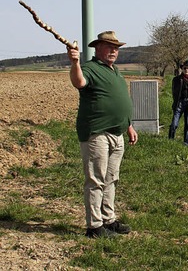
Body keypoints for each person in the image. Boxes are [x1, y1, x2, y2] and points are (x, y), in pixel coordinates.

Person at [67, 30, 137, 238]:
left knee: (111, 179)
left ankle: (109, 219)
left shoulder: (114, 71)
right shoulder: (89, 68)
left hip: (117, 134)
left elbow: (119, 100)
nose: (113, 51)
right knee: (96, 180)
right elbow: (79, 82)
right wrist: (75, 63)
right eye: (109, 46)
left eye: (116, 48)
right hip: (97, 133)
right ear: (97, 48)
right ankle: (95, 226)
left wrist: (129, 126)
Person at [169, 60, 188, 146]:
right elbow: (174, 91)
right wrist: (176, 101)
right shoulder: (176, 80)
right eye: (185, 68)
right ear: (182, 69)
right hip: (179, 103)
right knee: (174, 123)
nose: (186, 70)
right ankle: (170, 140)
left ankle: (187, 142)